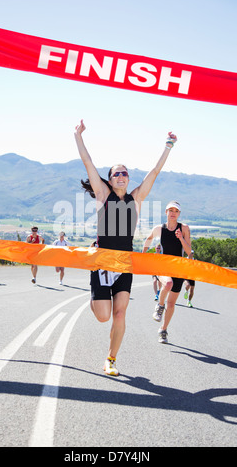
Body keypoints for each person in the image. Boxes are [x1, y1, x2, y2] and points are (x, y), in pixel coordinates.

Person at [75, 119, 177, 375]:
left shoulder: (137, 198)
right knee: (102, 316)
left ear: (128, 179)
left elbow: (154, 172)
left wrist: (168, 147)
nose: (121, 176)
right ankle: (95, 298)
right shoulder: (103, 195)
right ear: (109, 180)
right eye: (116, 173)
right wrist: (78, 136)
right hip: (101, 262)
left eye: (125, 173)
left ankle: (111, 358)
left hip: (124, 264)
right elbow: (88, 163)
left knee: (120, 314)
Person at [143, 201, 191, 344]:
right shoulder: (160, 229)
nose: (173, 213)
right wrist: (143, 254)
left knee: (172, 304)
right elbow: (149, 238)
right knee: (168, 283)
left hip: (179, 268)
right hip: (162, 266)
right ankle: (160, 305)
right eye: (170, 210)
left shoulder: (184, 228)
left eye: (176, 211)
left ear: (179, 214)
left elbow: (189, 252)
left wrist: (181, 238)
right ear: (166, 212)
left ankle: (163, 330)